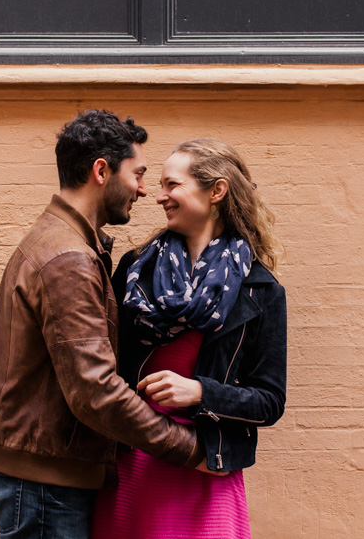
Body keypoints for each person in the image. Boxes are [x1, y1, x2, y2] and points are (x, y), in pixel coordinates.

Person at [0, 110, 207, 539]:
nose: (142, 189)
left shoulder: (63, 240)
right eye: (136, 174)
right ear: (101, 170)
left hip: (38, 472)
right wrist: (191, 450)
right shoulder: (70, 259)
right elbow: (95, 391)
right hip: (45, 482)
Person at [90, 138, 287, 539]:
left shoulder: (260, 290)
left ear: (216, 191)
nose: (159, 196)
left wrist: (201, 392)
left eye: (172, 185)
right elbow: (100, 365)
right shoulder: (135, 270)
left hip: (205, 464)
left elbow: (269, 402)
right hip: (135, 459)